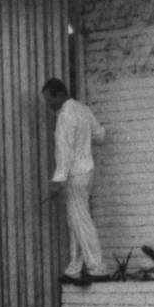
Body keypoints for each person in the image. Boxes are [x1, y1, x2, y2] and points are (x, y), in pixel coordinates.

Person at [41, 77, 107, 285]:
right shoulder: (83, 110)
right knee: (76, 220)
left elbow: (64, 151)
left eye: (49, 99)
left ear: (59, 94)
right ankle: (74, 268)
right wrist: (85, 137)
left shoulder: (65, 115)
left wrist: (57, 181)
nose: (48, 105)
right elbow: (100, 135)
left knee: (80, 220)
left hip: (74, 175)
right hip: (87, 171)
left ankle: (97, 268)